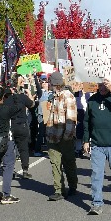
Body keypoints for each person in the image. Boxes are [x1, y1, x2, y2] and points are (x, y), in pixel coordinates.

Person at [83, 77, 111, 214]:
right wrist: (86, 140)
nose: (102, 87)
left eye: (105, 85)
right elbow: (87, 122)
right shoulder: (92, 100)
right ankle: (96, 203)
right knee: (96, 173)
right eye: (100, 85)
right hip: (97, 143)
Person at [0, 85, 32, 204]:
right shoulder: (6, 109)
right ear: (3, 97)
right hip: (5, 139)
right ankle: (6, 194)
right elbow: (20, 106)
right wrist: (16, 95)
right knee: (8, 166)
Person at [40, 72, 78, 201]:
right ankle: (59, 190)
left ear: (55, 83)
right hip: (52, 135)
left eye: (50, 82)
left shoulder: (67, 96)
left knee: (68, 163)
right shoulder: (54, 96)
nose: (48, 84)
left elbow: (71, 118)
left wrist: (67, 136)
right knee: (55, 163)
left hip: (64, 136)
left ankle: (73, 186)